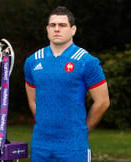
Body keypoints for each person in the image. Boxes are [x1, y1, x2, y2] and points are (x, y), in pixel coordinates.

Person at [24, 6, 110, 161]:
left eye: (62, 25)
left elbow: (102, 102)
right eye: (53, 25)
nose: (57, 29)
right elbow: (32, 100)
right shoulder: (32, 61)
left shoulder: (87, 61)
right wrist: (46, 125)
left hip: (74, 146)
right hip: (40, 145)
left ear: (73, 30)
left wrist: (82, 130)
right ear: (47, 29)